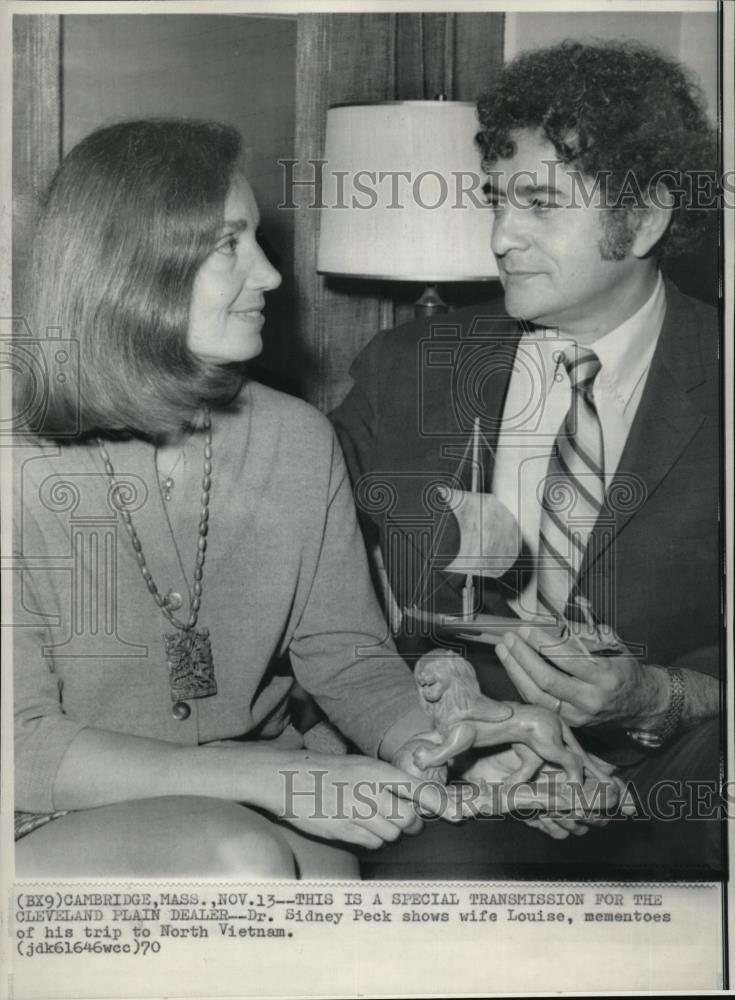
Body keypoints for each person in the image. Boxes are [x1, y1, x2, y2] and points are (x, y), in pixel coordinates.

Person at [12, 117, 470, 879]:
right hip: (50, 804)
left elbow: (346, 654)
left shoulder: (296, 437)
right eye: (230, 244)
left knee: (326, 881)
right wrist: (277, 783)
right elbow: (19, 745)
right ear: (133, 267)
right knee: (239, 861)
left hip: (249, 791)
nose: (269, 275)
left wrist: (419, 738)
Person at [332, 40, 722, 879]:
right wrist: (438, 707)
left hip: (682, 784)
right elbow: (317, 598)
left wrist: (655, 697)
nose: (501, 237)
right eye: (495, 200)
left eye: (540, 203)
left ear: (646, 216)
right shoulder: (406, 371)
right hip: (472, 775)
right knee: (439, 881)